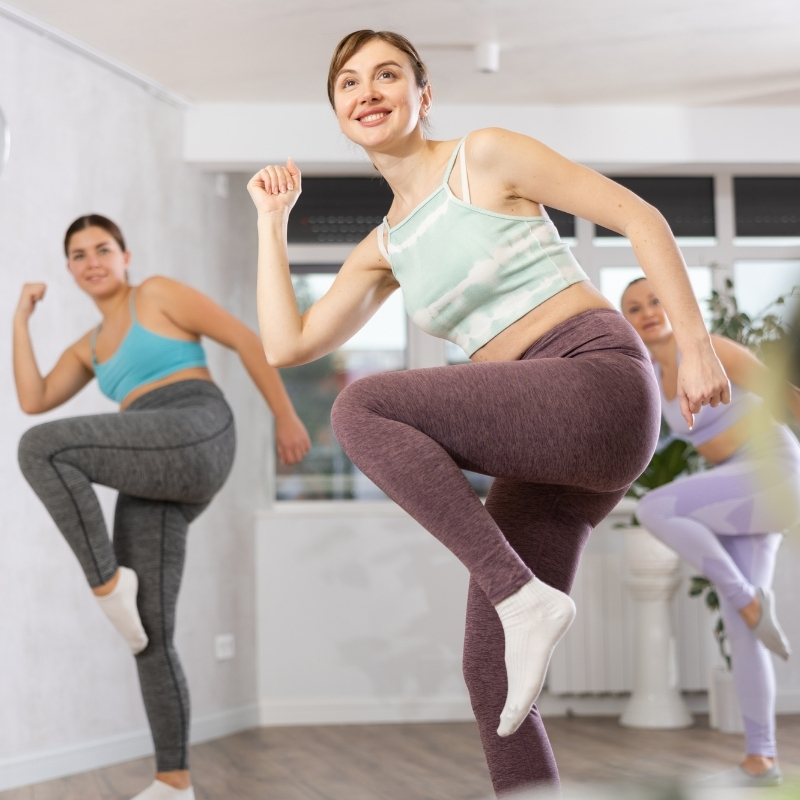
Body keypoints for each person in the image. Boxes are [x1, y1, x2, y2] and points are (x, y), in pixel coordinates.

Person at [247, 30, 729, 795]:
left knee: (362, 405)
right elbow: (287, 341)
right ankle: (523, 626)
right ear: (337, 111)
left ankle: (521, 596)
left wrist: (696, 348)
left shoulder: (486, 155)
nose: (367, 90)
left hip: (595, 379)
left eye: (388, 74)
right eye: (348, 82)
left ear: (423, 95)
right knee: (489, 669)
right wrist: (273, 224)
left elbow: (641, 219)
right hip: (542, 441)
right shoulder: (384, 247)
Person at [14, 215, 311, 800]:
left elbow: (245, 338)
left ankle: (105, 586)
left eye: (103, 249)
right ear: (70, 270)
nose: (92, 261)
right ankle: (173, 783)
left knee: (42, 449)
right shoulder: (90, 346)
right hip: (149, 459)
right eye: (78, 255)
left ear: (126, 256)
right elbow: (34, 397)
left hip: (195, 426)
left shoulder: (157, 293)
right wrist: (21, 318)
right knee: (147, 633)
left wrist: (285, 414)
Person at [622, 276, 799, 789]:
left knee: (655, 508)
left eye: (655, 299)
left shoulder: (712, 349)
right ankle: (761, 760)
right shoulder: (652, 379)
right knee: (746, 630)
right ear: (627, 322)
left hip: (773, 472)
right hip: (741, 496)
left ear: (675, 305)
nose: (648, 311)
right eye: (634, 308)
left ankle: (744, 596)